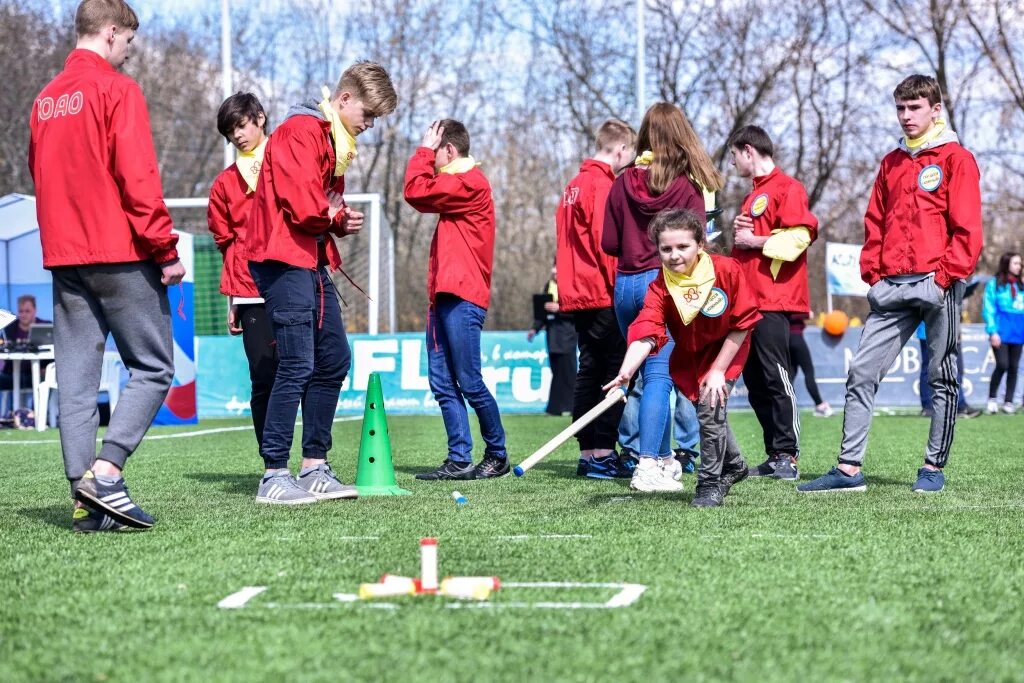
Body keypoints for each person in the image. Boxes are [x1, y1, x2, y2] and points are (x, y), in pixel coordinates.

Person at [28, 0, 185, 532]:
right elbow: (137, 176)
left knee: (76, 378)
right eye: (129, 42)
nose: (128, 52)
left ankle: (83, 499)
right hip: (119, 251)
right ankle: (107, 473)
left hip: (64, 255)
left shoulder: (45, 99)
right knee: (154, 366)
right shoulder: (117, 90)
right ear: (113, 32)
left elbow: (40, 174)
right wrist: (165, 249)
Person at [799, 74, 983, 495]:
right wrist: (874, 273)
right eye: (900, 108)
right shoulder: (891, 162)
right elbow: (874, 222)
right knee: (861, 372)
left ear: (935, 109)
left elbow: (968, 229)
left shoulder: (957, 159)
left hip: (938, 284)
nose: (906, 116)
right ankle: (848, 470)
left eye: (914, 108)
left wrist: (943, 277)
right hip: (892, 287)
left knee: (942, 377)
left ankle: (933, 467)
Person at [246, 61, 397, 504]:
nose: (368, 125)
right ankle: (274, 474)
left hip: (309, 259)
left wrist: (331, 213)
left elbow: (325, 200)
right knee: (296, 363)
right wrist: (332, 216)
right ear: (344, 99)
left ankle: (314, 467)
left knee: (332, 359)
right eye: (367, 115)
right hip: (281, 256)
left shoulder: (334, 141)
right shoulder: (302, 131)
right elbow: (304, 201)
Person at [601, 102, 722, 493]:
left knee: (645, 377)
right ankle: (648, 463)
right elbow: (697, 245)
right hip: (662, 285)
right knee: (659, 378)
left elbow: (609, 242)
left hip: (625, 286)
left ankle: (662, 456)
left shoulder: (621, 182)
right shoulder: (686, 186)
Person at [604, 208, 761, 507]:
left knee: (709, 404)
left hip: (728, 347)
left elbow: (743, 324)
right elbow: (647, 332)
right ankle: (735, 463)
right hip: (690, 353)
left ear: (700, 244)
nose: (674, 255)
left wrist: (718, 371)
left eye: (682, 247)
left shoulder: (726, 270)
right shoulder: (660, 287)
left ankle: (709, 484)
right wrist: (626, 372)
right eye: (666, 249)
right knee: (707, 408)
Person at [404, 119, 509, 480]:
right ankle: (459, 458)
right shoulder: (458, 183)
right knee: (443, 383)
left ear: (448, 150)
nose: (430, 159)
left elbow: (416, 192)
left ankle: (497, 454)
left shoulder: (469, 181)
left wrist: (420, 151)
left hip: (463, 297)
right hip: (444, 297)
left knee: (469, 380)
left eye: (434, 152)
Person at [729, 125, 818, 482]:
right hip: (746, 301)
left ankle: (789, 455)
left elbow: (799, 237)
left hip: (772, 300)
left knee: (775, 377)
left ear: (748, 151)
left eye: (734, 156)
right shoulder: (754, 195)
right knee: (754, 381)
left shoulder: (788, 188)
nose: (733, 163)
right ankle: (773, 454)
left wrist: (753, 241)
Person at [553, 118, 636, 478]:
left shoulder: (572, 185)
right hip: (602, 292)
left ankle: (589, 453)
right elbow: (606, 245)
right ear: (620, 150)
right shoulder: (602, 186)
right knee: (613, 374)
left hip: (577, 293)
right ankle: (602, 451)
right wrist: (621, 289)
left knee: (588, 370)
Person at [207, 92, 278, 451]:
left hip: (296, 281)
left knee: (310, 371)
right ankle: (273, 463)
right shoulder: (224, 183)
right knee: (263, 375)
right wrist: (233, 299)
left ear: (260, 118)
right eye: (230, 131)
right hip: (251, 292)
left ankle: (315, 460)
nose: (237, 135)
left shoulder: (288, 163)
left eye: (241, 124)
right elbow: (226, 244)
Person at [527, 265, 577, 416]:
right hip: (553, 335)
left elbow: (578, 310)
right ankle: (555, 408)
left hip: (568, 335)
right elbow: (541, 313)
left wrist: (560, 308)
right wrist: (534, 329)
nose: (555, 274)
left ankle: (572, 407)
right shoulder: (549, 286)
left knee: (569, 372)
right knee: (556, 371)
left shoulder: (572, 286)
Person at [982, 252, 1024, 414]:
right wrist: (992, 332)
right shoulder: (995, 284)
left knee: (1013, 367)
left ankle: (1008, 401)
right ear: (1006, 264)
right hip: (1001, 332)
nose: (1018, 267)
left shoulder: (1021, 285)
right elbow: (989, 308)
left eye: (1020, 264)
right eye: (1015, 263)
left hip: (1018, 332)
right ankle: (992, 399)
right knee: (1002, 365)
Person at [916, 322, 981, 419]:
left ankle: (957, 405)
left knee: (950, 367)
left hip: (947, 332)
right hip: (931, 330)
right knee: (931, 368)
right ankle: (930, 406)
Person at [0, 295, 52, 396]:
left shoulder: (46, 326)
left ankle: (44, 411)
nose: (23, 314)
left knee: (52, 381)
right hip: (12, 374)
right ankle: (12, 411)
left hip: (40, 373)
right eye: (21, 311)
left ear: (35, 310)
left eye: (27, 311)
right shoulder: (9, 328)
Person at [788, 313, 832, 417]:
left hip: (787, 339)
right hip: (796, 338)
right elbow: (793, 314)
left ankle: (786, 406)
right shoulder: (790, 301)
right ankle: (820, 405)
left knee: (791, 374)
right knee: (808, 372)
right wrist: (806, 313)